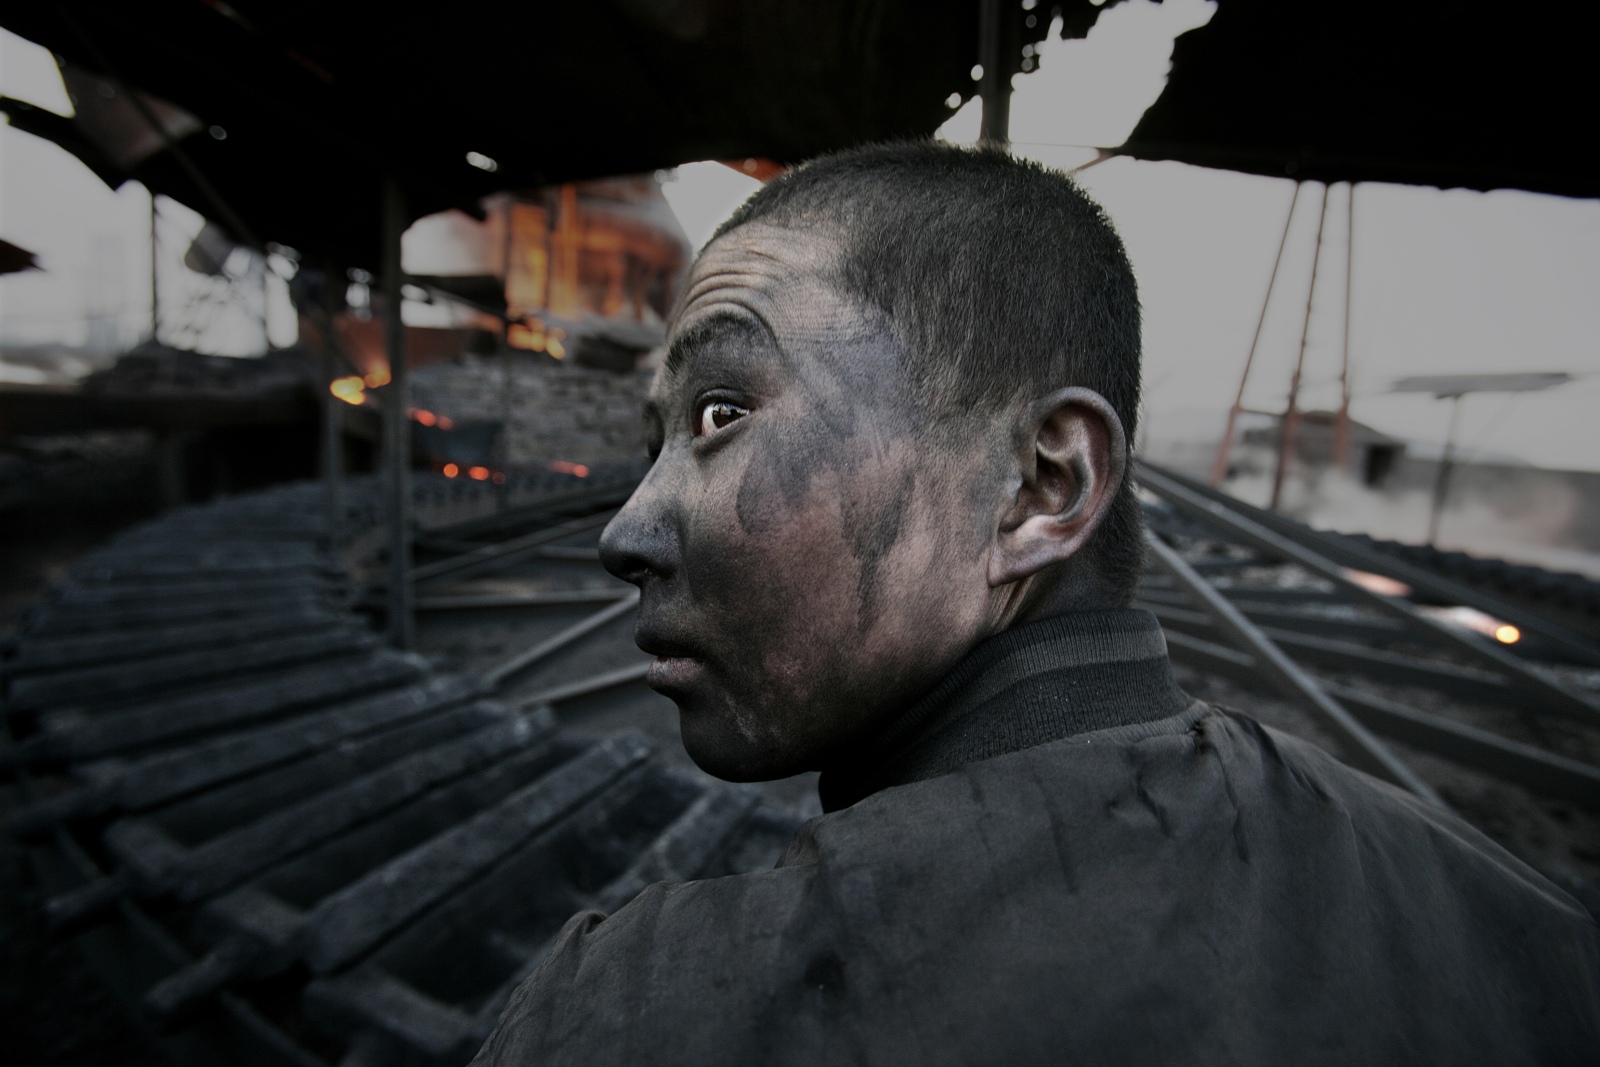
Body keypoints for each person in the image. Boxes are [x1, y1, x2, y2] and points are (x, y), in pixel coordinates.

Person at [474, 142, 1600, 1066]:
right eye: (652, 439)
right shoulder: (1518, 931)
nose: (627, 528)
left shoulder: (635, 1014)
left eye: (722, 413)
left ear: (1038, 488)